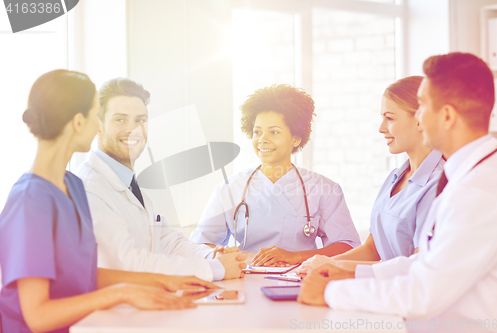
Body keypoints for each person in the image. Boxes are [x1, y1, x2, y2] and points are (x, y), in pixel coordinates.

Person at [0, 70, 219, 333]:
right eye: (96, 116)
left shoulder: (73, 186)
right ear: (79, 122)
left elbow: (85, 273)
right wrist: (122, 293)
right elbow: (37, 315)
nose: (98, 126)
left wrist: (162, 281)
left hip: (84, 325)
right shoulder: (30, 200)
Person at [298, 53, 497, 332]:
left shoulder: (480, 190)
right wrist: (351, 271)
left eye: (422, 107)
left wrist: (331, 292)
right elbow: (427, 262)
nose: (418, 118)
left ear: (447, 116)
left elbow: (424, 293)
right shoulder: (467, 176)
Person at [75, 78, 246, 282]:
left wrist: (211, 256)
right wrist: (215, 269)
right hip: (114, 310)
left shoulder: (128, 183)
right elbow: (127, 264)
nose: (133, 129)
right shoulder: (89, 187)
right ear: (98, 126)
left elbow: (167, 241)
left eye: (140, 120)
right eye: (120, 119)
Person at [191, 84, 360, 267]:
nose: (262, 139)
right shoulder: (229, 189)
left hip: (301, 281)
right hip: (243, 278)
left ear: (296, 138)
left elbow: (347, 247)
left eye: (274, 132)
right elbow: (200, 245)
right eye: (257, 132)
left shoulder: (324, 190)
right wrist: (224, 255)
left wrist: (295, 257)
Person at [297, 76, 444, 277]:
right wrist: (320, 265)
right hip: (384, 290)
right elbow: (372, 249)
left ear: (420, 119)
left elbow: (417, 268)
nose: (381, 128)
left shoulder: (439, 184)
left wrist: (337, 268)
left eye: (390, 118)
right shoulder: (395, 177)